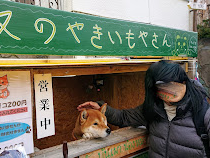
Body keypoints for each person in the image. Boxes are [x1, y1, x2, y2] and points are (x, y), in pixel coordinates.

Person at [77, 60, 210, 158]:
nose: (170, 91)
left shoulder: (204, 112)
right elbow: (124, 117)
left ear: (184, 82)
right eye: (162, 87)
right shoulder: (153, 108)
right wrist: (99, 108)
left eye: (173, 84)